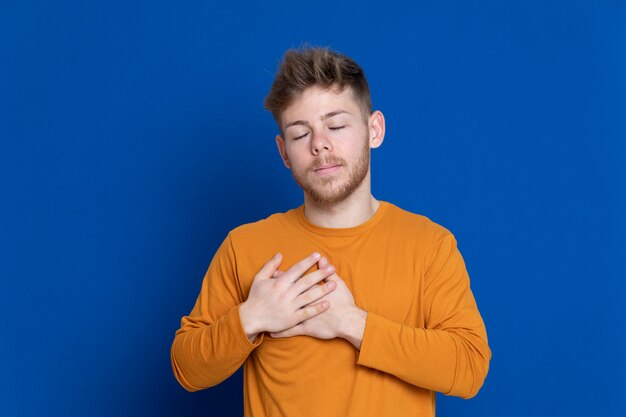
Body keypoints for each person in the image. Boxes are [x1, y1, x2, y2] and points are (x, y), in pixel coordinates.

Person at [171, 46, 491, 417]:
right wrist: (251, 317)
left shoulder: (429, 245)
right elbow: (187, 370)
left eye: (336, 125)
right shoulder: (245, 246)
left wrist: (351, 323)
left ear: (375, 130)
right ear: (284, 152)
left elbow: (469, 367)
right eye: (299, 133)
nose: (319, 143)